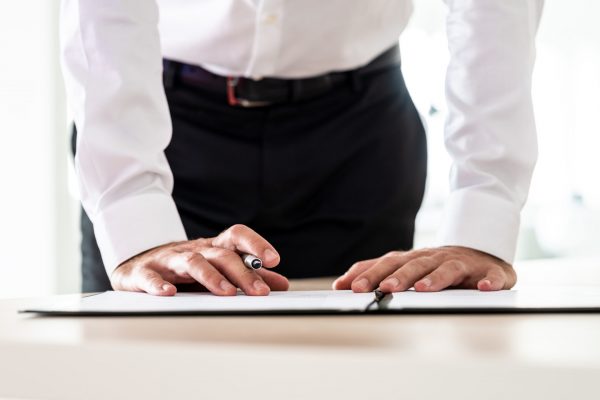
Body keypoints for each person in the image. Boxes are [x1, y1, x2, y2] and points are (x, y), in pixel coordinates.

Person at [61, 0, 543, 296]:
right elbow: (105, 12)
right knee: (143, 373)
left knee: (353, 375)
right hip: (164, 127)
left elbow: (493, 9)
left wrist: (482, 220)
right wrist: (135, 223)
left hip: (357, 134)